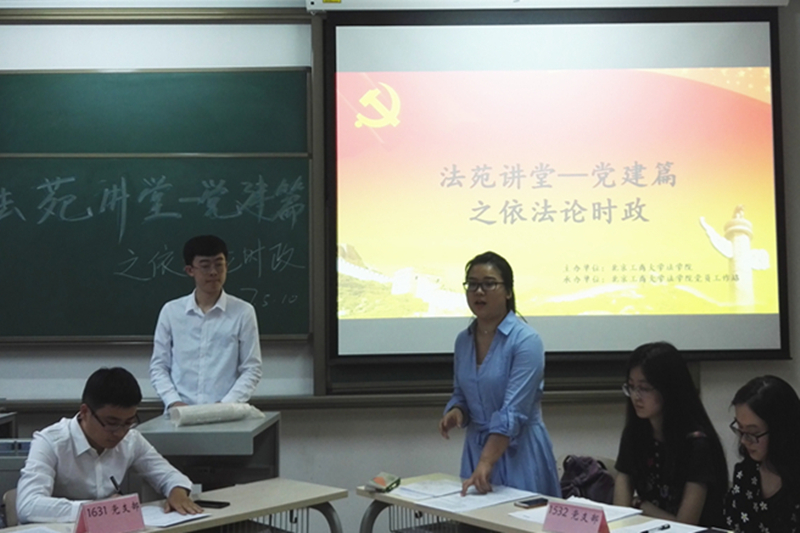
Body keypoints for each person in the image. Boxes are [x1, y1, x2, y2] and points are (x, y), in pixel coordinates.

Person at [438, 251, 560, 496]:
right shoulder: (463, 340)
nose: (478, 292)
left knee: (519, 517)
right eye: (472, 284)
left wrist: (487, 461)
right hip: (476, 451)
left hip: (519, 453)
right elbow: (461, 393)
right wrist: (457, 411)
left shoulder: (526, 340)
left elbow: (513, 412)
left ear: (508, 291)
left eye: (488, 284)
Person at [16, 367, 203, 524]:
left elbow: (168, 475)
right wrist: (97, 509)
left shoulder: (131, 439)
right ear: (85, 412)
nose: (120, 433)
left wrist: (177, 492)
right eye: (111, 423)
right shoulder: (50, 442)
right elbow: (28, 505)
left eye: (128, 422)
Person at [613, 341, 728, 528]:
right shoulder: (634, 434)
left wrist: (641, 505)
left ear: (668, 389)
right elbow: (620, 513)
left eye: (644, 388)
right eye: (631, 387)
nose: (635, 396)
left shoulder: (697, 444)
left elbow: (686, 525)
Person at [150, 235, 262, 408]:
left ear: (227, 266)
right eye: (205, 266)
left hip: (226, 414)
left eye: (219, 264)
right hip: (179, 413)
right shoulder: (171, 311)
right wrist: (173, 402)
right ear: (190, 270)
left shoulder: (243, 312)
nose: (213, 272)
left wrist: (225, 405)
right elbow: (159, 366)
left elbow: (252, 368)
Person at [724, 375, 800, 533]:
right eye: (740, 429)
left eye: (753, 433)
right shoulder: (746, 473)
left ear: (780, 432)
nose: (744, 441)